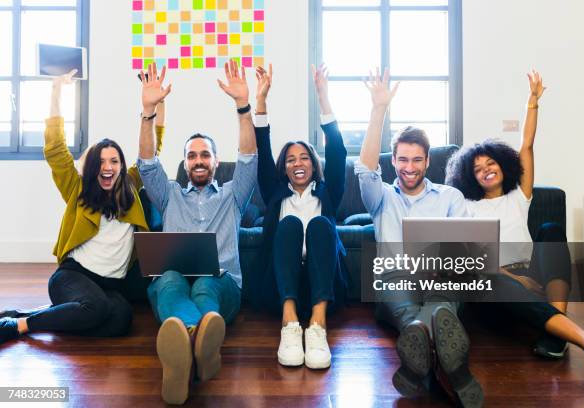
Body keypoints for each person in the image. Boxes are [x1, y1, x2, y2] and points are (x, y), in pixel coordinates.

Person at [445, 70, 584, 383]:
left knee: (550, 229)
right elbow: (470, 260)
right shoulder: (464, 206)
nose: (486, 171)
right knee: (489, 275)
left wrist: (532, 102)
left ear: (503, 165)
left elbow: (527, 146)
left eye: (490, 164)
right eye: (478, 169)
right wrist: (515, 279)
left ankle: (557, 330)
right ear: (470, 177)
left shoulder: (518, 196)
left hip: (530, 274)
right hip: (494, 286)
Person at [0, 69, 164, 344]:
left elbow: (153, 152)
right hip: (72, 276)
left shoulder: (132, 186)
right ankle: (19, 325)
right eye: (101, 161)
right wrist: (56, 92)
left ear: (122, 166)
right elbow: (55, 150)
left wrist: (158, 105)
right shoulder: (78, 190)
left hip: (110, 284)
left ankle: (50, 315)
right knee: (96, 310)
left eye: (114, 161)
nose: (107, 166)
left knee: (122, 320)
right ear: (92, 168)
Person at [356, 68, 483, 407]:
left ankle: (420, 365)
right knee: (409, 309)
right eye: (401, 160)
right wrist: (378, 109)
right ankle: (453, 370)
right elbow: (364, 170)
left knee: (442, 301)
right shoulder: (380, 197)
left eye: (416, 160)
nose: (408, 167)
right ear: (393, 160)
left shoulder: (450, 197)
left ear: (428, 161)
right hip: (395, 278)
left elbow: (466, 251)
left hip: (440, 277)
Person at [137, 61, 257, 405]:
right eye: (192, 155)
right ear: (185, 162)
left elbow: (249, 157)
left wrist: (242, 107)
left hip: (222, 284)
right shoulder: (168, 193)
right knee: (171, 277)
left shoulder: (234, 195)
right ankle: (199, 340)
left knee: (206, 282)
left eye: (205, 154)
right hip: (173, 280)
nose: (199, 160)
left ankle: (184, 345)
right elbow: (147, 163)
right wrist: (148, 112)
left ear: (216, 162)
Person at [253, 64, 348, 369]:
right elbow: (262, 149)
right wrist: (262, 101)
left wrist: (323, 97)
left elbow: (339, 154)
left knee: (320, 225)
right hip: (282, 287)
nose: (298, 163)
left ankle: (317, 327)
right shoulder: (275, 192)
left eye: (304, 157)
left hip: (324, 286)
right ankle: (290, 325)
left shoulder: (328, 191)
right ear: (283, 168)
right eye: (291, 159)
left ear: (313, 164)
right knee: (291, 223)